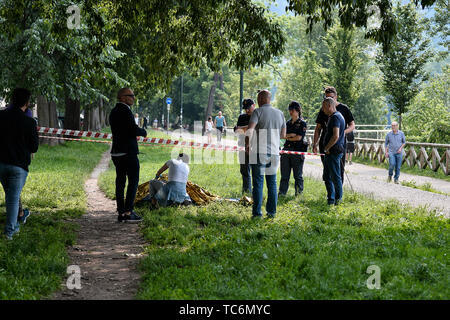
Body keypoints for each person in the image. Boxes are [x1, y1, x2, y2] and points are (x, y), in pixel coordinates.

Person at [0, 88, 39, 240]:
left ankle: (15, 227)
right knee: (13, 198)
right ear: (27, 103)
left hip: (1, 163)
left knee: (10, 196)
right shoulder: (29, 122)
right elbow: (34, 147)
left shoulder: (1, 116)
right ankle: (9, 233)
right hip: (18, 166)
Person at [246, 90, 286, 219]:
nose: (257, 101)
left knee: (258, 182)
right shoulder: (280, 114)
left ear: (262, 99)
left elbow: (250, 129)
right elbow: (283, 135)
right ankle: (271, 212)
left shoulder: (258, 112)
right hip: (274, 152)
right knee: (272, 183)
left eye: (258, 98)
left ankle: (257, 213)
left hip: (259, 151)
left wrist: (247, 144)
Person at [109, 88, 147, 222]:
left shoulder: (113, 111)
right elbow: (131, 129)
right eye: (131, 95)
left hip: (116, 152)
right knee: (133, 181)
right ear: (122, 97)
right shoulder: (125, 111)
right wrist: (143, 132)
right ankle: (129, 211)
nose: (133, 98)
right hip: (128, 152)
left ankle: (121, 212)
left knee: (120, 182)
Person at [313, 86, 355, 185]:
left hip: (339, 144)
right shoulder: (323, 109)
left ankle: (338, 196)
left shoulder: (343, 109)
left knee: (338, 170)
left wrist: (342, 133)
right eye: (326, 97)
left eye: (331, 97)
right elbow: (318, 128)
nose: (328, 100)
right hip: (325, 142)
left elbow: (352, 125)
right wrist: (315, 143)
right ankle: (330, 195)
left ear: (336, 97)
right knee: (327, 170)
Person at [279, 101, 308, 197]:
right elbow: (282, 136)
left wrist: (289, 136)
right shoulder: (287, 123)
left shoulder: (302, 123)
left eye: (292, 110)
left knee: (298, 176)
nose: (290, 112)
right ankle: (282, 193)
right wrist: (290, 135)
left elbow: (299, 138)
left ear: (297, 110)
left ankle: (298, 194)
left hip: (298, 151)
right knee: (284, 176)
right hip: (286, 150)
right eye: (289, 110)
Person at [322, 97, 346, 205]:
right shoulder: (336, 116)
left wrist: (327, 147)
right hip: (331, 152)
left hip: (333, 152)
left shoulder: (335, 117)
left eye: (324, 107)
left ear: (329, 106)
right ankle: (330, 199)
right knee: (327, 176)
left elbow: (335, 136)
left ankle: (337, 199)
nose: (323, 110)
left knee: (335, 176)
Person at [234, 98, 256, 194]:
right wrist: (248, 128)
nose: (246, 110)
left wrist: (244, 128)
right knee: (244, 171)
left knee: (256, 171)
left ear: (253, 105)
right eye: (245, 108)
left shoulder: (257, 116)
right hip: (243, 146)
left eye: (248, 108)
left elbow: (253, 130)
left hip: (255, 146)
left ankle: (256, 192)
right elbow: (236, 130)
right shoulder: (242, 117)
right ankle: (246, 191)